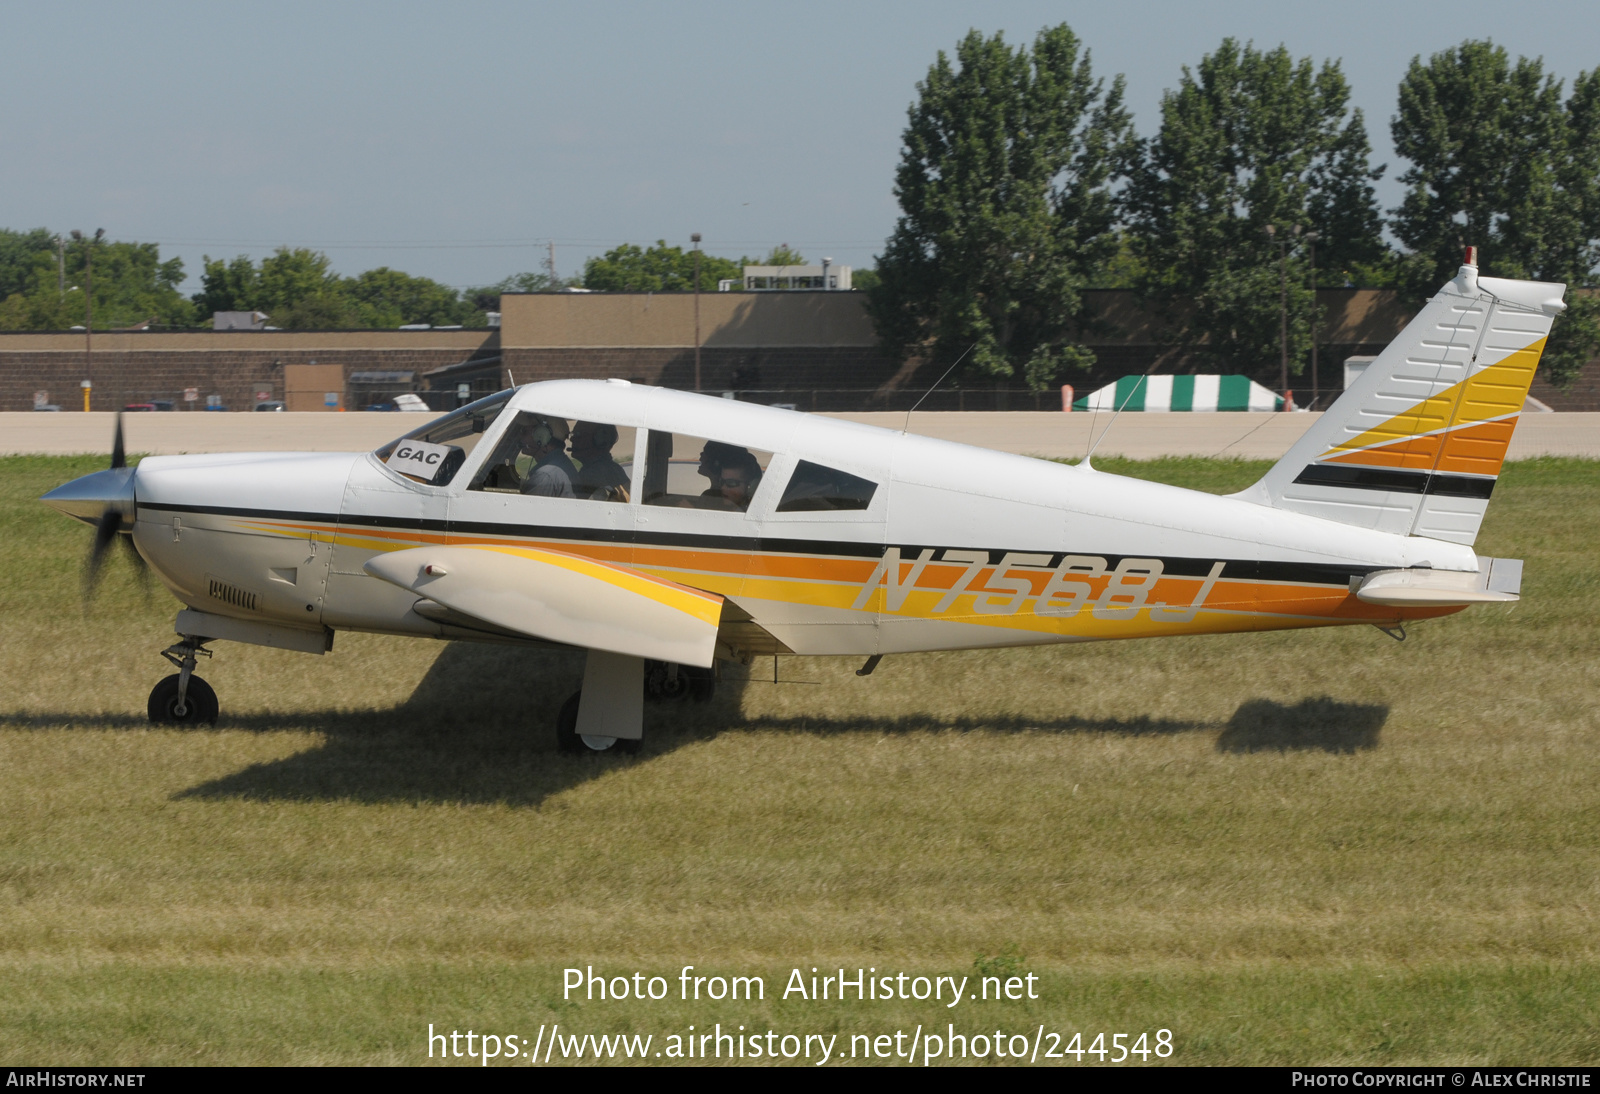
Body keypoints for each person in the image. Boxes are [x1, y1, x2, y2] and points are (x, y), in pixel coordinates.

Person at [570, 421, 630, 501]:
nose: (572, 439)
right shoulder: (615, 469)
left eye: (577, 435)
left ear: (599, 440)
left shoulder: (591, 475)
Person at [519, 415, 577, 498]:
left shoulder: (544, 476)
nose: (520, 437)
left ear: (541, 436)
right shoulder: (561, 463)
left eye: (524, 431)